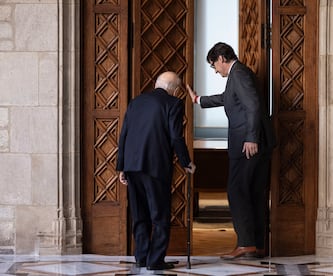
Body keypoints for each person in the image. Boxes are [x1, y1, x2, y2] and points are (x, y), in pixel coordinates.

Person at [186, 42, 276, 260]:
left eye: (214, 66)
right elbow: (228, 99)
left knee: (236, 192)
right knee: (253, 193)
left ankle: (246, 244)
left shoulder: (239, 74)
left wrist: (251, 138)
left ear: (220, 58)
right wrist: (199, 100)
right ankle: (257, 244)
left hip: (248, 145)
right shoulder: (239, 74)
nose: (215, 71)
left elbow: (253, 104)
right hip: (255, 143)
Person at [117, 71, 196, 270]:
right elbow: (176, 137)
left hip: (133, 166)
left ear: (156, 83)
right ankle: (155, 260)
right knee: (159, 216)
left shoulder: (136, 102)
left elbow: (124, 135)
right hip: (156, 167)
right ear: (175, 89)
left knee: (139, 214)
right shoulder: (173, 104)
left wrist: (122, 167)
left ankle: (142, 257)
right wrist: (186, 162)